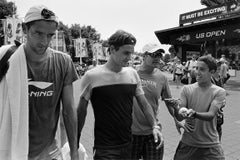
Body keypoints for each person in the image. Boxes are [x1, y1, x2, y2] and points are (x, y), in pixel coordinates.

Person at [0, 5, 79, 160]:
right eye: (38, 33)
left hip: (50, 154)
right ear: (24, 29)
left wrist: (74, 151)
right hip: (10, 151)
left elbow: (69, 111)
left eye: (50, 35)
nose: (44, 41)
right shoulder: (6, 58)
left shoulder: (63, 62)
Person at [77, 30, 162, 160]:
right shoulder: (92, 76)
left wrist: (154, 126)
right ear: (112, 49)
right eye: (126, 53)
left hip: (128, 144)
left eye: (131, 53)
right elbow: (81, 111)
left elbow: (144, 104)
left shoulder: (132, 74)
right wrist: (75, 139)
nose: (129, 57)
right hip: (105, 148)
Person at [131, 44, 181, 160]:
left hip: (153, 131)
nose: (157, 58)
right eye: (153, 54)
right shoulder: (131, 74)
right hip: (131, 132)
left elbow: (169, 102)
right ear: (144, 56)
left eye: (159, 54)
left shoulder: (162, 77)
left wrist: (176, 120)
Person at [172, 55, 226, 160]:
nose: (197, 72)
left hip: (210, 145)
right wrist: (175, 107)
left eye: (202, 69)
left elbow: (210, 115)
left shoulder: (219, 91)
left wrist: (194, 114)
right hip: (188, 144)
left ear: (212, 71)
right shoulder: (186, 89)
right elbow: (180, 117)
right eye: (196, 68)